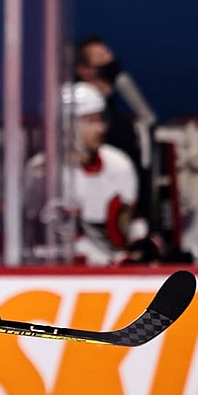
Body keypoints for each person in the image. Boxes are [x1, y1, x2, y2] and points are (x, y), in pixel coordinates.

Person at [62, 81, 159, 265]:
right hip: (72, 275)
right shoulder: (46, 171)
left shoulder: (118, 163)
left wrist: (141, 245)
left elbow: (132, 219)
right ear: (67, 125)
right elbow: (66, 238)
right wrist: (113, 262)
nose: (101, 128)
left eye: (101, 120)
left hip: (116, 269)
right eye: (91, 121)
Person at [74, 35, 155, 222]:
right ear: (83, 70)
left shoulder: (123, 127)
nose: (109, 61)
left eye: (109, 55)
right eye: (101, 57)